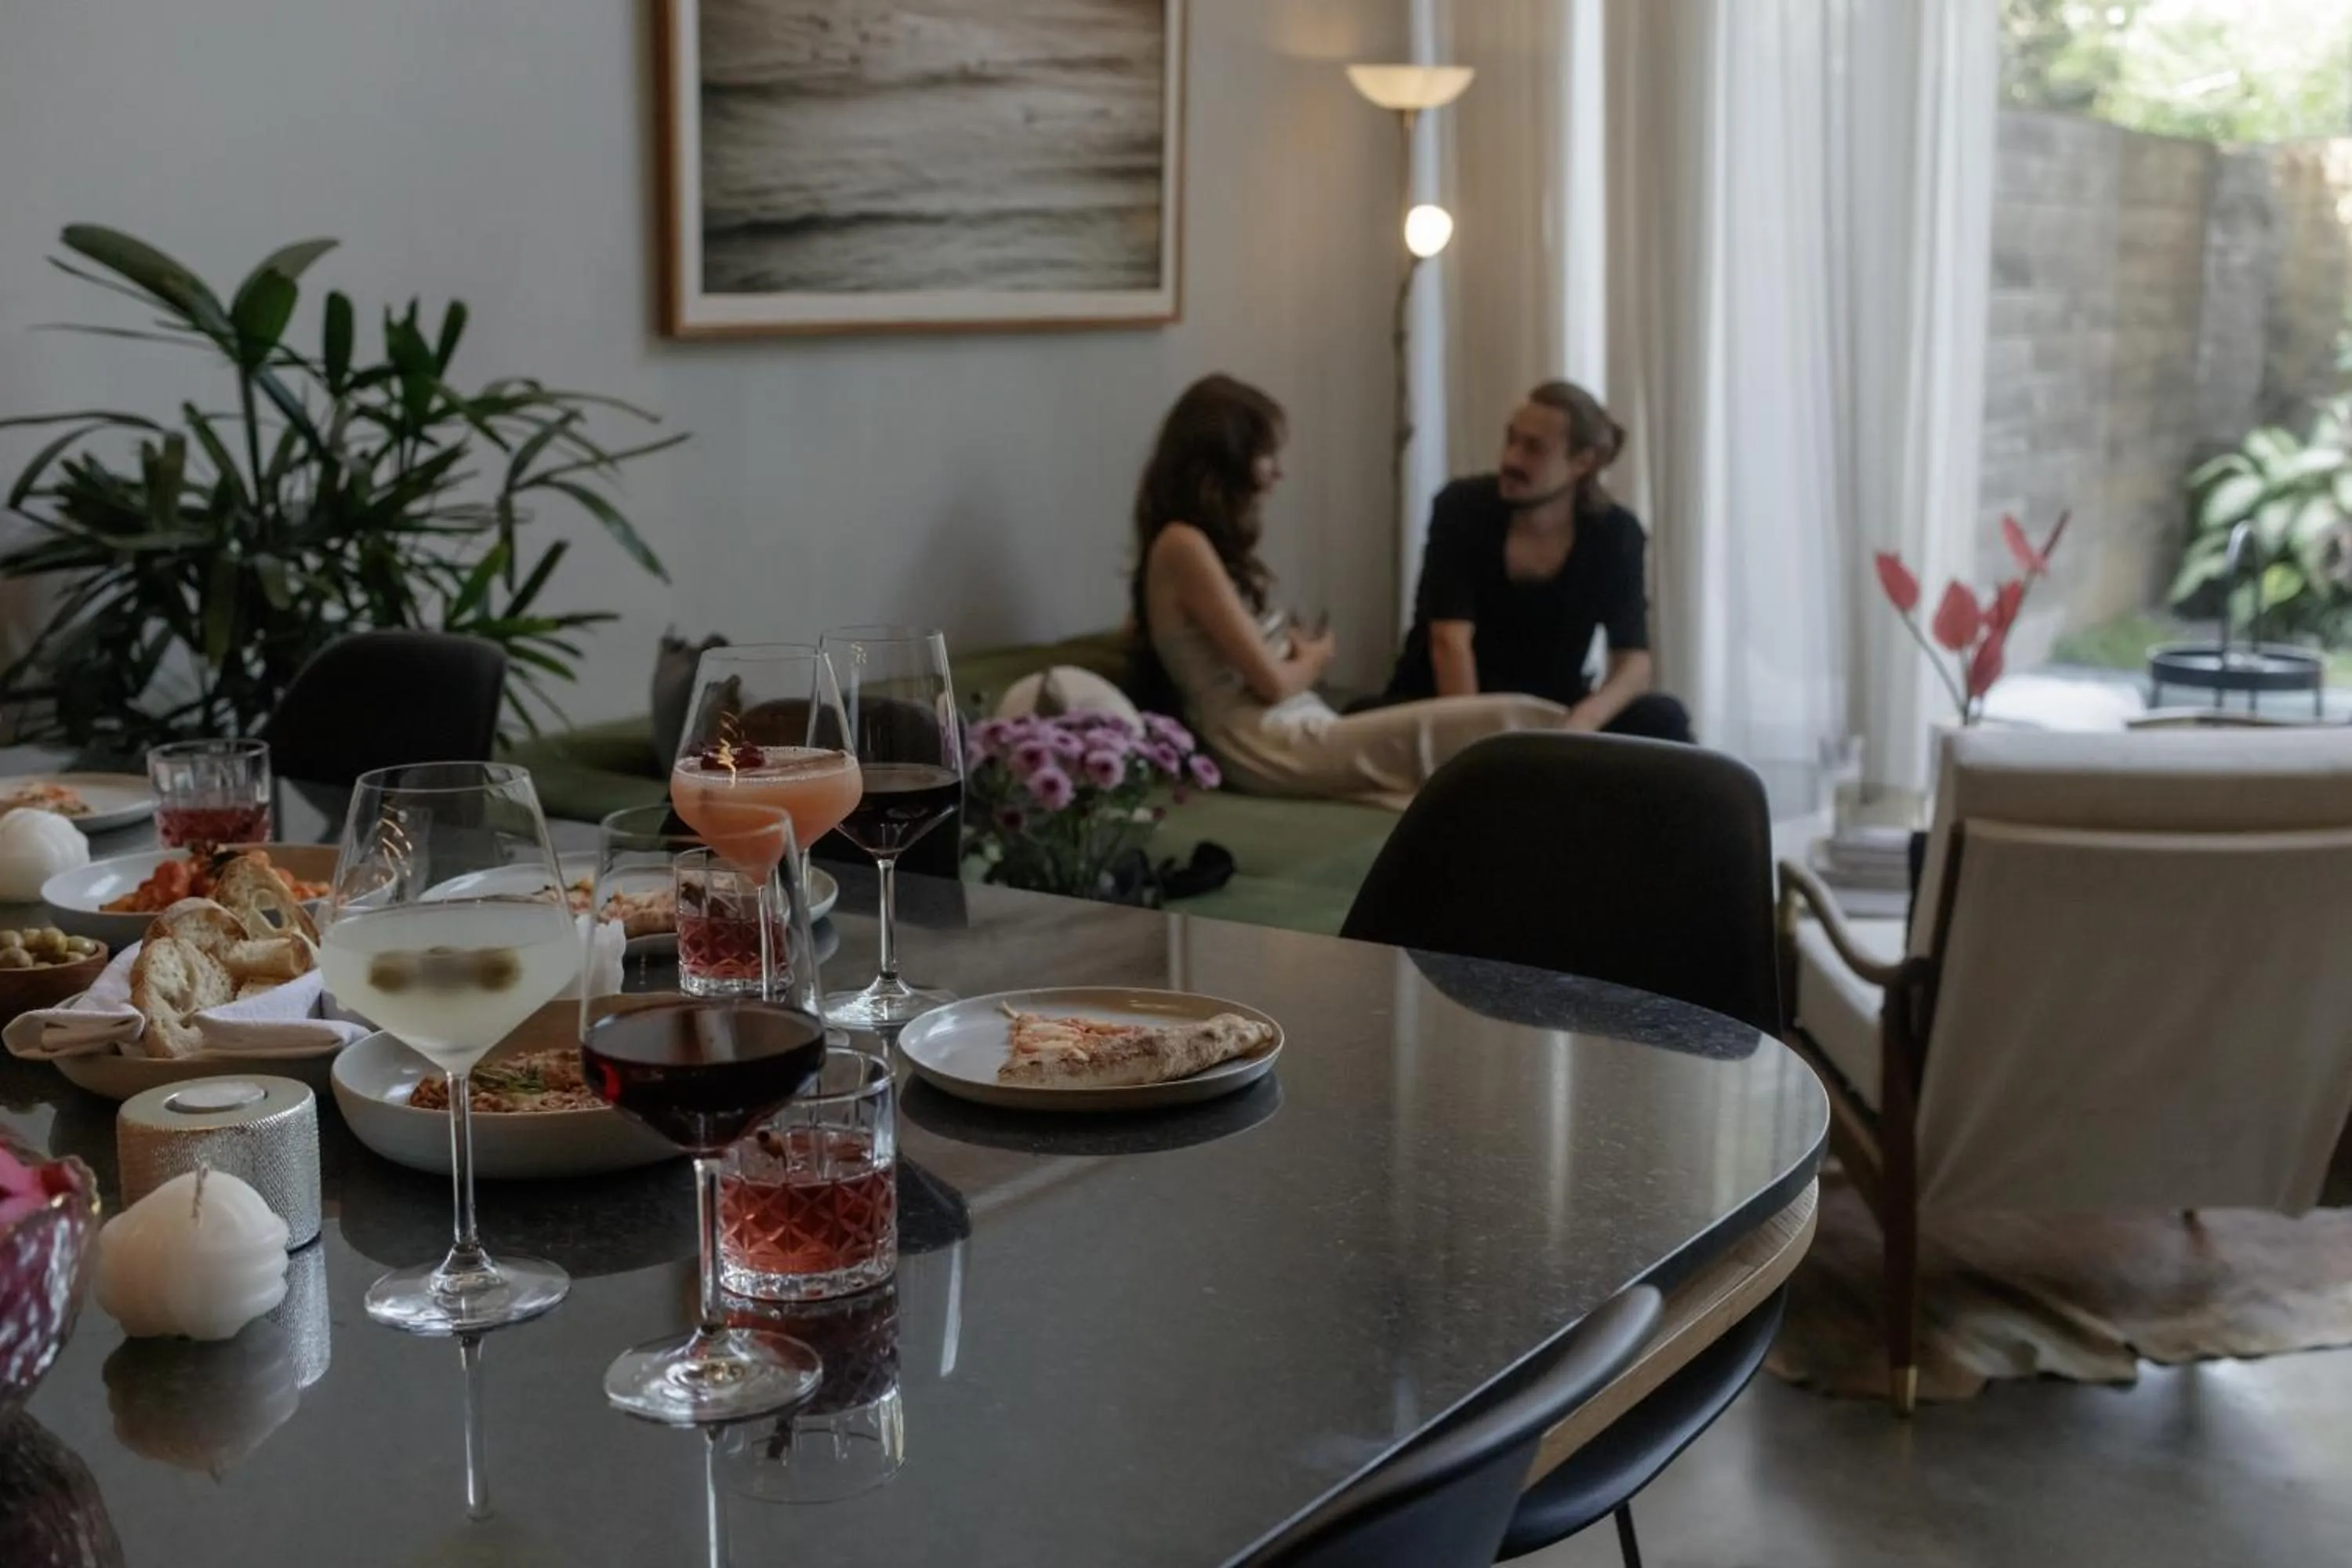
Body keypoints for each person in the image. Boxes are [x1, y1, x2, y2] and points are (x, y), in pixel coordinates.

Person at [1128, 375, 1573, 806]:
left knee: (1479, 755)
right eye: (1266, 454)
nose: (1277, 472)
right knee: (1512, 721)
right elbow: (1274, 685)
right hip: (1262, 742)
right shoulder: (1182, 545)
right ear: (1226, 457)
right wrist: (1316, 657)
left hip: (1288, 724)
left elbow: (1242, 664)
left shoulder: (1191, 544)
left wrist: (1289, 652)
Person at [1380, 380, 1693, 742]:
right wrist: (1473, 745)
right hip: (1442, 704)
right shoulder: (1462, 508)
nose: (1511, 459)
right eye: (1511, 440)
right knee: (1362, 719)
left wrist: (1585, 722)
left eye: (1533, 449)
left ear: (1582, 462)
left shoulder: (1615, 533)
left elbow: (1633, 662)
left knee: (1664, 718)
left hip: (1548, 709)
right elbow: (1450, 641)